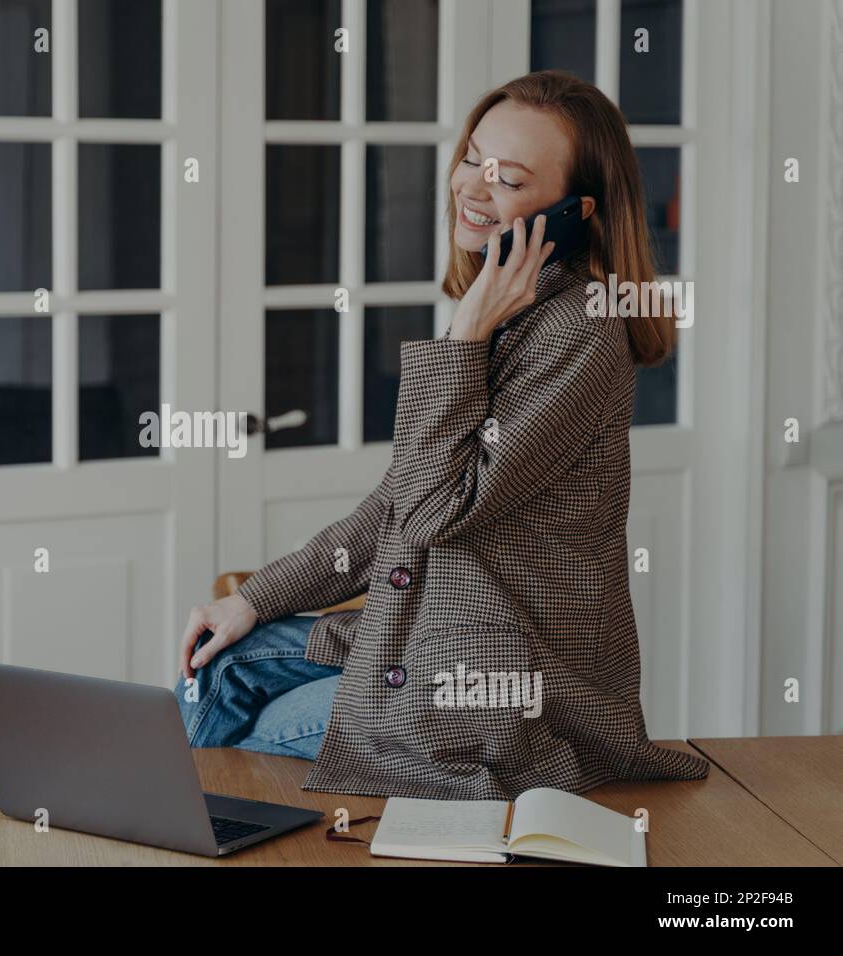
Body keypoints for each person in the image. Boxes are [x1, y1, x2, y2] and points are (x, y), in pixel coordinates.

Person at [172, 70, 710, 800]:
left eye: (510, 179)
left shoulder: (579, 328)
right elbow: (396, 504)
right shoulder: (513, 308)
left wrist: (463, 336)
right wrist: (256, 599)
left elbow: (433, 512)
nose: (473, 187)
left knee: (255, 723)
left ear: (574, 213)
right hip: (424, 644)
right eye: (472, 159)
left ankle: (197, 825)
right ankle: (188, 821)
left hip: (500, 692)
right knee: (217, 665)